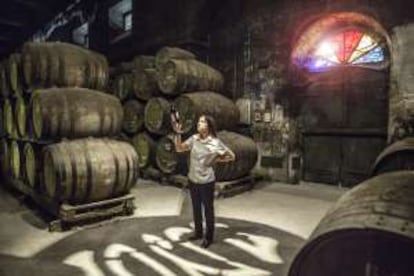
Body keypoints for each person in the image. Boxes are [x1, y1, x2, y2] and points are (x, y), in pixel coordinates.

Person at [172, 114, 235, 248]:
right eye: (199, 121)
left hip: (207, 181)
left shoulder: (214, 142)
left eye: (202, 122)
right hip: (193, 179)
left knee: (208, 210)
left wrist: (215, 160)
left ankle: (209, 237)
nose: (198, 124)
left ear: (208, 126)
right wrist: (177, 133)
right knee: (196, 208)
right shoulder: (194, 139)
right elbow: (179, 148)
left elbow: (231, 156)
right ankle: (198, 232)